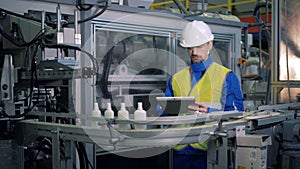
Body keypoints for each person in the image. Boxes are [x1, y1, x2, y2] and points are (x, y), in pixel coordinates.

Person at [164, 20, 244, 169]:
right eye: (190, 48)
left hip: (209, 150)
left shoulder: (226, 76)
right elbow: (163, 112)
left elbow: (237, 114)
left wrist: (209, 112)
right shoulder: (175, 78)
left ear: (210, 44)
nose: (194, 52)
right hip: (179, 149)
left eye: (199, 46)